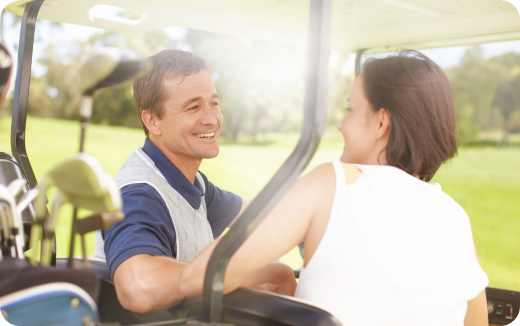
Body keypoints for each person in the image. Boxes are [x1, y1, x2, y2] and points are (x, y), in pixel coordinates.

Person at [180, 50, 489, 326]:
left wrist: (272, 277)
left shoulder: (333, 182)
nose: (341, 124)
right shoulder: (455, 217)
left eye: (350, 109)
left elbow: (201, 276)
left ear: (381, 123)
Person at [94, 50, 255, 313]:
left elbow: (253, 214)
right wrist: (229, 273)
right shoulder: (140, 195)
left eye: (213, 103)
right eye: (193, 107)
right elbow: (138, 286)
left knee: (277, 276)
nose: (211, 119)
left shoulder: (192, 183)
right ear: (152, 120)